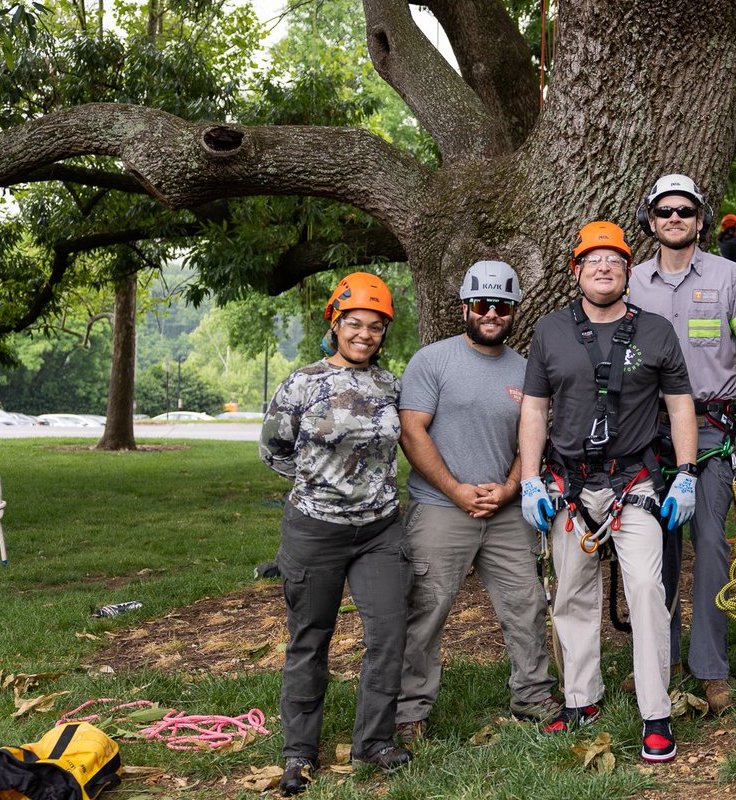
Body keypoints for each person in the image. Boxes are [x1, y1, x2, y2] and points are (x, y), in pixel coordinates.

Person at [518, 220, 699, 763]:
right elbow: (534, 408)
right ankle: (581, 699)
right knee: (571, 594)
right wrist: (531, 478)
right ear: (576, 270)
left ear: (627, 273)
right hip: (569, 483)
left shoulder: (657, 331)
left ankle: (656, 711)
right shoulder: (550, 331)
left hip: (634, 480)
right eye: (593, 260)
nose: (604, 268)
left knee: (646, 587)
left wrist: (685, 471)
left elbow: (680, 406)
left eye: (615, 262)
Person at [259, 271, 413, 796]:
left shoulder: (391, 385)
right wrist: (322, 488)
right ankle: (299, 752)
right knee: (310, 638)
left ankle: (374, 741)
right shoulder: (301, 383)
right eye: (354, 323)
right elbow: (274, 451)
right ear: (335, 322)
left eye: (375, 326)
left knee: (389, 637)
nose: (364, 334)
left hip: (380, 531)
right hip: (315, 532)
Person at [395, 260, 558, 746]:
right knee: (427, 607)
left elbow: (532, 437)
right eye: (482, 304)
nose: (491, 314)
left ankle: (532, 694)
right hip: (441, 506)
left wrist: (511, 487)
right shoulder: (432, 360)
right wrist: (454, 488)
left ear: (513, 311)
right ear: (465, 306)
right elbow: (411, 430)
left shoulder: (527, 369)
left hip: (506, 509)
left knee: (526, 604)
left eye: (502, 306)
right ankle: (409, 710)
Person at [629, 174, 736, 715]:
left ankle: (710, 670)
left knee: (712, 546)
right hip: (646, 432)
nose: (675, 218)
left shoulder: (731, 276)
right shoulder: (631, 282)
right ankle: (662, 662)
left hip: (713, 430)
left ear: (701, 219)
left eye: (685, 210)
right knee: (654, 549)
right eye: (665, 211)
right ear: (651, 221)